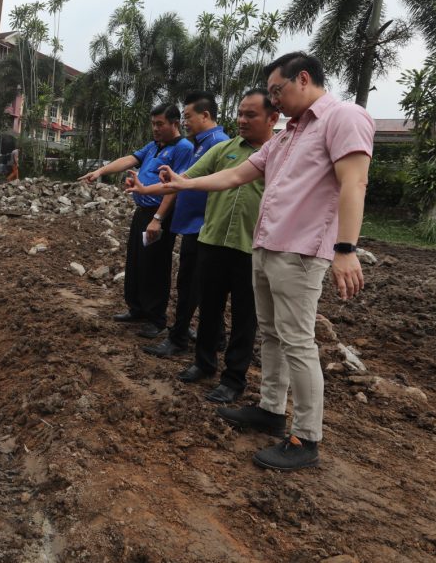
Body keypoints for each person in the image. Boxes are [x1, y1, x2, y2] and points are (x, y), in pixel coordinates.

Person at [157, 52, 373, 471]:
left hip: (302, 252)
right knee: (272, 335)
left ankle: (307, 437)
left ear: (304, 79)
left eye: (278, 91)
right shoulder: (288, 134)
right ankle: (272, 410)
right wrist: (186, 183)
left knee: (297, 342)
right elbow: (236, 175)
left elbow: (355, 181)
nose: (275, 102)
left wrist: (345, 248)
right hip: (267, 247)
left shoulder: (342, 117)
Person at [129, 89, 279, 404]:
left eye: (250, 115)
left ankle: (234, 378)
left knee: (244, 317)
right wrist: (147, 187)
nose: (241, 120)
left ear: (273, 118)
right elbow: (185, 179)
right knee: (209, 308)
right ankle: (203, 363)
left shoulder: (280, 155)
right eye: (239, 113)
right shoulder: (223, 149)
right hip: (212, 240)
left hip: (252, 246)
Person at [79, 103, 194, 338]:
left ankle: (156, 318)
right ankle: (137, 308)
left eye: (160, 124)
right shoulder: (154, 146)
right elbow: (129, 159)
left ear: (175, 123)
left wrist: (158, 219)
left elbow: (174, 187)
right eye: (153, 124)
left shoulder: (183, 148)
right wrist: (100, 172)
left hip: (160, 215)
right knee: (137, 260)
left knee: (155, 265)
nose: (155, 128)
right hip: (142, 212)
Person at [140, 91, 229, 358]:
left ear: (205, 115)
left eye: (188, 117)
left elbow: (189, 181)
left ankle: (178, 339)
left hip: (201, 226)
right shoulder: (201, 143)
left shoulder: (217, 144)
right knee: (199, 285)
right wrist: (145, 190)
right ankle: (216, 337)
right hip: (192, 225)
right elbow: (183, 179)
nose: (185, 122)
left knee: (190, 286)